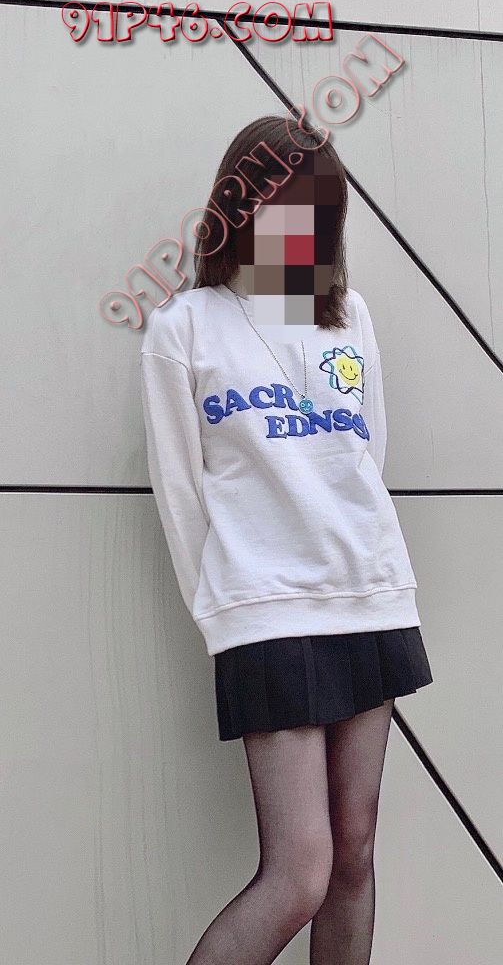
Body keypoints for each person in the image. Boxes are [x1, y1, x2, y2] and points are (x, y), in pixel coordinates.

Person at [139, 114, 433, 965]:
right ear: (237, 205)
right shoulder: (184, 327)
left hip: (368, 595)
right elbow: (180, 494)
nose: (295, 224)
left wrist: (358, 555)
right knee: (299, 874)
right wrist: (224, 611)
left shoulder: (348, 317)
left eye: (315, 208)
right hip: (265, 610)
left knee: (354, 858)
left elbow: (365, 456)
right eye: (277, 203)